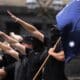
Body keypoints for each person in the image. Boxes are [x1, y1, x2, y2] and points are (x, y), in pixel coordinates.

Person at [7, 11, 67, 80]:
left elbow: (62, 57)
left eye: (55, 30)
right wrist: (18, 20)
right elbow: (33, 31)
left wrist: (51, 53)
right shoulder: (49, 42)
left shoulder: (62, 44)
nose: (52, 32)